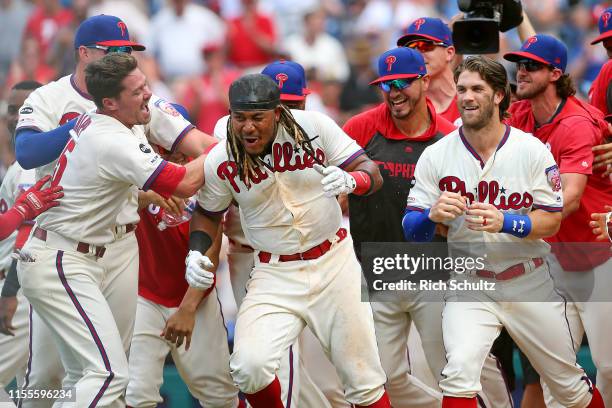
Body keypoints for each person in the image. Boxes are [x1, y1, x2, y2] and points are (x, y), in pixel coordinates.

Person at [10, 15, 217, 407]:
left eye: (130, 51)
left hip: (120, 242)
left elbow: (196, 142)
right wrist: (81, 125)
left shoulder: (135, 96)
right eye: (115, 51)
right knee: (50, 376)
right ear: (84, 54)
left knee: (106, 372)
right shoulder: (56, 100)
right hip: (64, 242)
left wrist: (232, 144)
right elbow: (26, 152)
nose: (125, 58)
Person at [403, 55, 605, 408]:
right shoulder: (436, 155)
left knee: (568, 388)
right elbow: (412, 231)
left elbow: (552, 220)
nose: (467, 97)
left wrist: (508, 221)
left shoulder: (531, 150)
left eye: (478, 89)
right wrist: (429, 216)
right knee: (459, 375)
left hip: (528, 280)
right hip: (470, 283)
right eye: (462, 88)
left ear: (498, 95)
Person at [188, 73, 391, 408]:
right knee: (248, 367)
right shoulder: (221, 153)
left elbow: (372, 171)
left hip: (333, 263)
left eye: (257, 118)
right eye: (240, 118)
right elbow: (208, 213)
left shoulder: (313, 126)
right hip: (273, 272)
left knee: (363, 380)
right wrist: (196, 252)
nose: (248, 127)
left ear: (278, 113)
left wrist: (352, 179)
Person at [343, 46, 512, 408]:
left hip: (435, 271)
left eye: (403, 81)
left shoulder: (450, 136)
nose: (394, 91)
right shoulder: (360, 128)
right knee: (378, 378)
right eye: (386, 84)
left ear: (424, 81)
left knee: (452, 369)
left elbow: (481, 199)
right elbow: (334, 190)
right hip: (376, 269)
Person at [504, 34, 612, 407]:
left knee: (609, 367)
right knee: (554, 368)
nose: (521, 72)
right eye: (519, 64)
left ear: (555, 73)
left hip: (597, 254)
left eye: (531, 65)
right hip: (551, 260)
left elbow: (569, 199)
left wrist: (512, 222)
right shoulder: (519, 114)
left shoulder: (576, 122)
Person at [126, 142, 241, 408]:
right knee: (136, 392)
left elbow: (211, 250)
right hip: (144, 296)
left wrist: (187, 309)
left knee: (220, 395)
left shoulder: (205, 181)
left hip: (196, 299)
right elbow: (108, 202)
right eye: (163, 151)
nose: (172, 157)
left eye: (177, 150)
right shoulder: (135, 175)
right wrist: (147, 194)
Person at [0, 80, 44, 408]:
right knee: (33, 391)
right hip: (15, 288)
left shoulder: (33, 168)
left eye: (24, 108)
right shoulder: (17, 167)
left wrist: (10, 293)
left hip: (19, 290)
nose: (16, 117)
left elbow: (26, 240)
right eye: (12, 110)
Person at [396, 18, 460, 124]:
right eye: (410, 48)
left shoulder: (471, 97)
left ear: (449, 53)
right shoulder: (403, 106)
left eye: (425, 46)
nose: (416, 55)